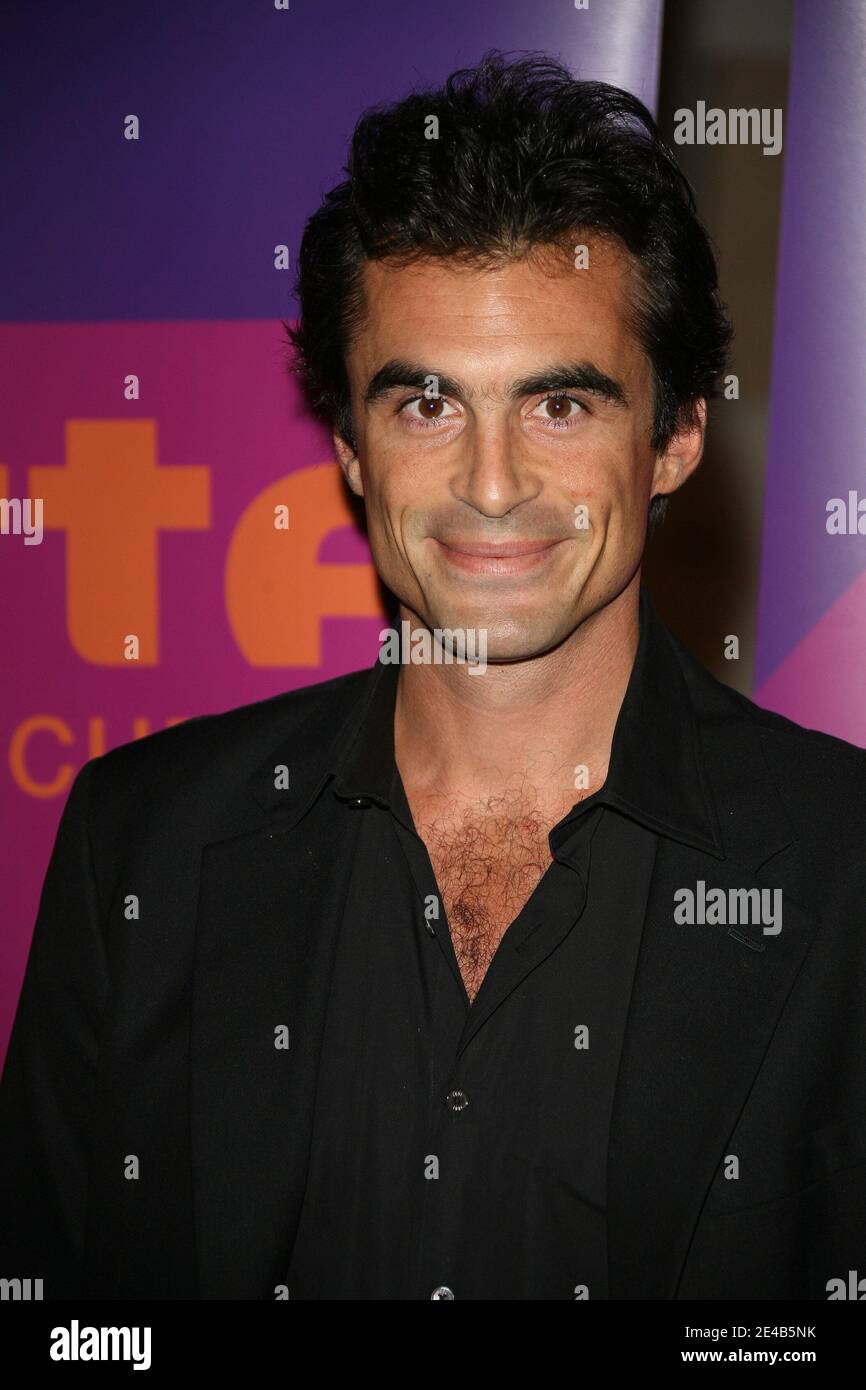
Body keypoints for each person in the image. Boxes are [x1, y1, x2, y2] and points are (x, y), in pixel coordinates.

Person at [2, 52, 865, 1302]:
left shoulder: (843, 871)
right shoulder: (141, 845)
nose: (493, 484)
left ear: (673, 436)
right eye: (426, 406)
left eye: (559, 406)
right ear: (350, 445)